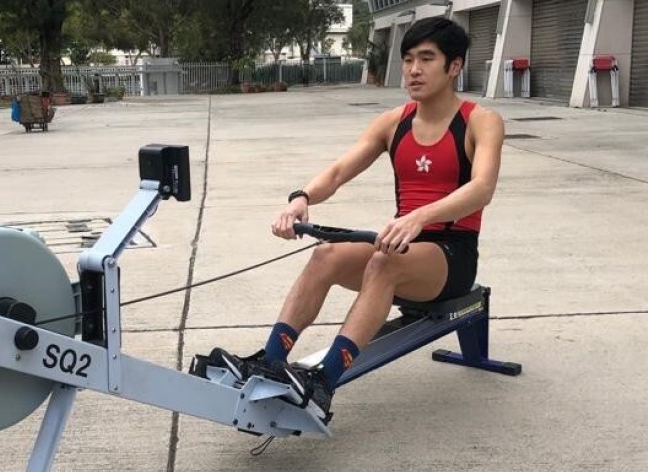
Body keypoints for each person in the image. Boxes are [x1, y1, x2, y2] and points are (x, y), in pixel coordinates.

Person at [200, 17, 505, 423]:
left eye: (427, 59)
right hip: (403, 244)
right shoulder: (395, 122)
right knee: (326, 254)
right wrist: (301, 199)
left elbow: (482, 187)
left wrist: (420, 217)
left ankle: (323, 383)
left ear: (454, 66)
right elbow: (341, 171)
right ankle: (269, 361)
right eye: (409, 59)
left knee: (383, 261)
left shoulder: (480, 121)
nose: (413, 69)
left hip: (451, 256)